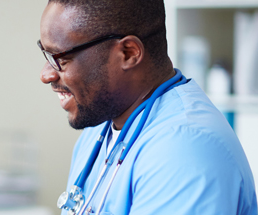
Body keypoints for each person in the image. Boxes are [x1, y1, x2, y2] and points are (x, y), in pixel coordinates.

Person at [38, 0, 256, 214]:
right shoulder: (97, 130)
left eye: (61, 59)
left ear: (129, 53)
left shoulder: (185, 148)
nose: (46, 75)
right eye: (45, 54)